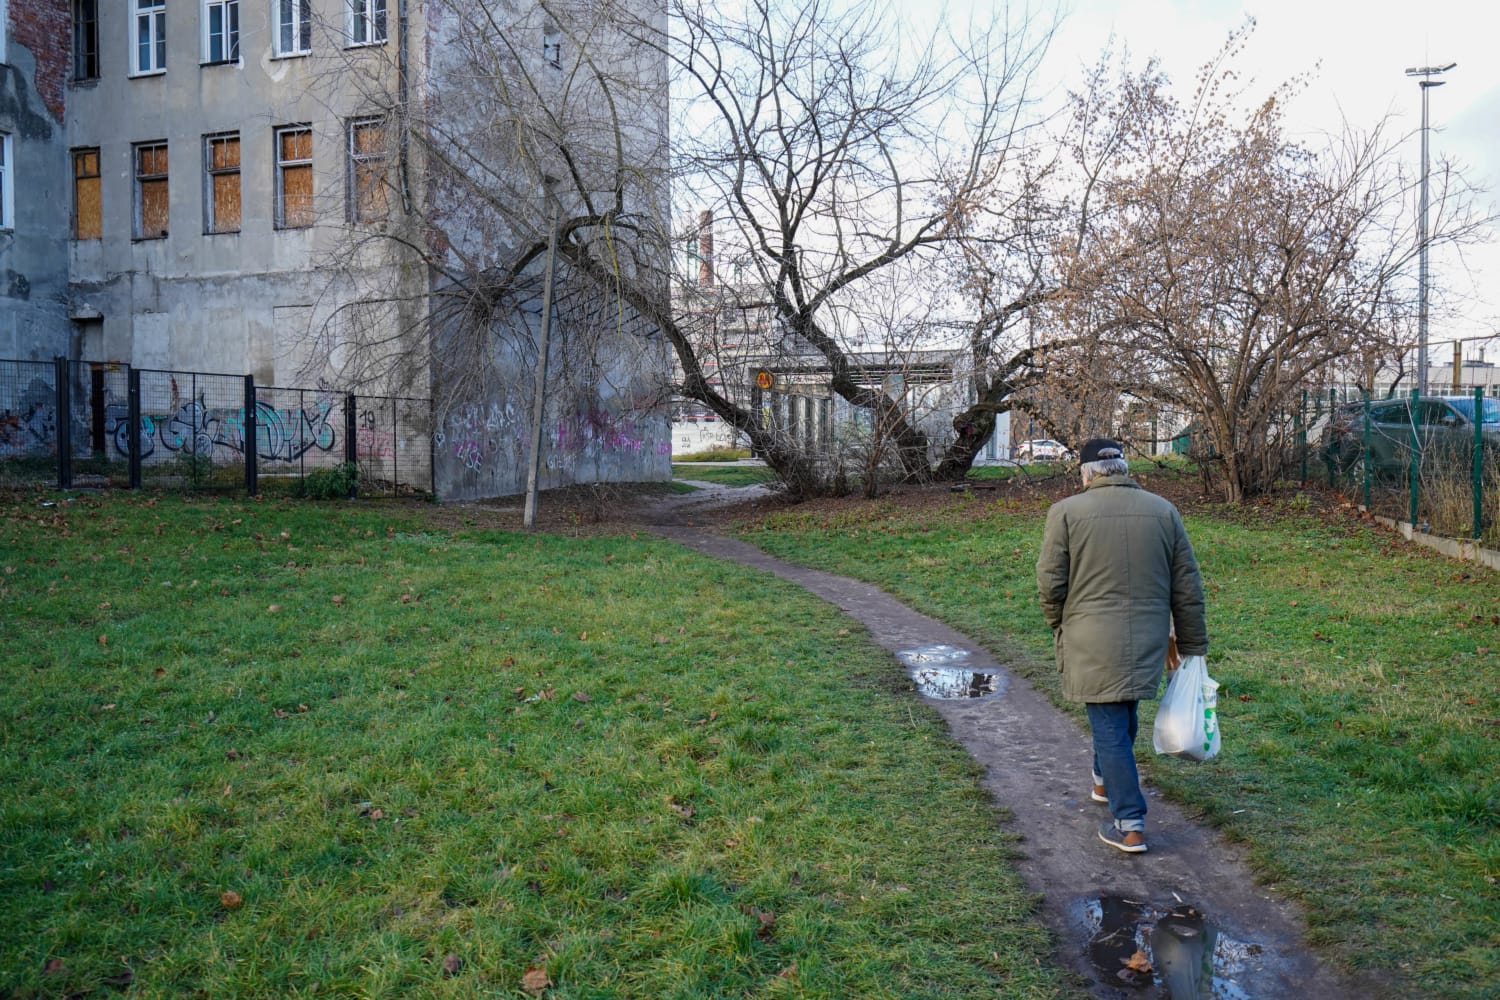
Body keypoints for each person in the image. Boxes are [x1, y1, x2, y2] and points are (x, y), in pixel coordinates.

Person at [1036, 438, 1208, 853]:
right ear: (1125, 470)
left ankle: (1129, 822)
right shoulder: (1163, 511)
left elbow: (1049, 583)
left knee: (1111, 724)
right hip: (1148, 636)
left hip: (1089, 636)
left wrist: (1059, 624)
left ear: (1085, 474)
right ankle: (1102, 779)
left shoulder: (1065, 513)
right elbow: (1188, 587)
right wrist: (1193, 644)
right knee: (1122, 711)